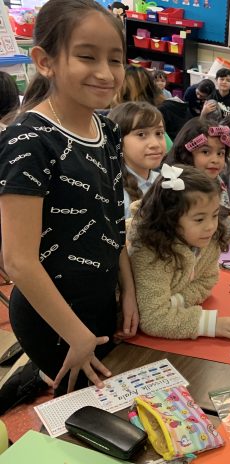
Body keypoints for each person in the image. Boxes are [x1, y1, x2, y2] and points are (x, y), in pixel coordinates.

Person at [0, 0, 138, 396]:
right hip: (52, 318)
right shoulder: (28, 142)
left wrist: (128, 291)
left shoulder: (108, 131)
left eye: (115, 59)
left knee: (106, 399)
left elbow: (115, 223)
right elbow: (19, 261)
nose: (105, 72)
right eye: (86, 56)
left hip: (100, 300)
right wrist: (75, 333)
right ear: (45, 61)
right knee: (74, 418)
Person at [129, 165, 230, 340]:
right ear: (169, 218)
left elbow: (208, 280)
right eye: (199, 219)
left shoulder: (207, 240)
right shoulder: (151, 253)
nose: (211, 226)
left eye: (214, 215)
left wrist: (175, 302)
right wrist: (208, 324)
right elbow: (153, 318)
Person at [167, 117, 230, 234]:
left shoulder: (216, 179)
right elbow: (203, 241)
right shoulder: (182, 190)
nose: (215, 160)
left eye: (220, 153)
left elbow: (218, 213)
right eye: (205, 152)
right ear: (186, 155)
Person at [108, 101, 164, 219]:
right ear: (118, 140)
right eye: (141, 134)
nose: (155, 144)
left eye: (159, 133)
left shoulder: (166, 181)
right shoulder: (112, 194)